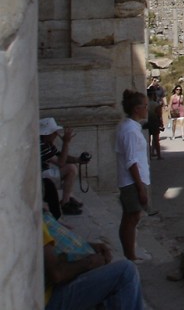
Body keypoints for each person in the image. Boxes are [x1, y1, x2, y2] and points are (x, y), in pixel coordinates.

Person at [42, 209, 143, 310]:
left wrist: (87, 246)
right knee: (126, 272)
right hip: (48, 299)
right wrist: (89, 262)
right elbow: (57, 274)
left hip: (48, 289)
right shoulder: (35, 225)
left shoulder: (38, 220)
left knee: (113, 283)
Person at [115, 89, 150, 263]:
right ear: (136, 109)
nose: (147, 109)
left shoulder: (131, 127)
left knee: (132, 217)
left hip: (133, 181)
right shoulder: (130, 130)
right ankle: (130, 256)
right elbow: (131, 161)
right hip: (132, 182)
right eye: (145, 106)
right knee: (131, 218)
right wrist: (140, 187)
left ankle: (131, 254)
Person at [39, 117, 85, 215]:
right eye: (54, 132)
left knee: (72, 165)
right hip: (41, 177)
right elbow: (60, 162)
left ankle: (68, 197)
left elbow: (61, 156)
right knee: (71, 169)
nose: (56, 134)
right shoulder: (41, 145)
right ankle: (65, 203)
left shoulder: (47, 143)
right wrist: (66, 143)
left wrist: (78, 160)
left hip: (44, 173)